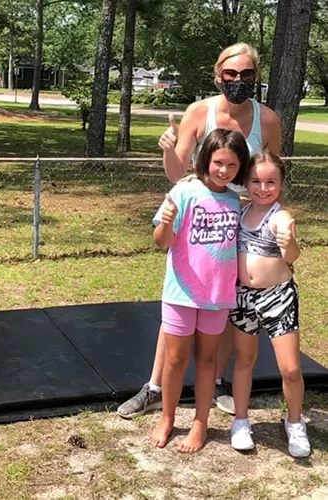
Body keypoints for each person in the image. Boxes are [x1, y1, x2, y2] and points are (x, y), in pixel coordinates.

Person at [117, 42, 281, 419]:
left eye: (247, 75)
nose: (238, 81)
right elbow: (179, 176)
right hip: (199, 219)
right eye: (231, 74)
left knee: (225, 304)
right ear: (217, 74)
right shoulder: (198, 112)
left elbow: (271, 175)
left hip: (242, 223)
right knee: (180, 298)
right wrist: (168, 149)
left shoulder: (267, 120)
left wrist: (275, 225)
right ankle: (156, 386)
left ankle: (218, 381)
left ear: (256, 77)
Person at [149, 128, 250, 453]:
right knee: (176, 360)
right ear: (206, 158)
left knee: (207, 361)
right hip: (180, 293)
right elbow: (162, 242)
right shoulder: (183, 192)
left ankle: (199, 424)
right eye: (218, 162)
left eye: (232, 166)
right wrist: (166, 221)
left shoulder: (235, 202)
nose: (224, 171)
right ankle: (167, 417)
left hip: (217, 297)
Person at [229, 151, 311, 458]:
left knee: (290, 368)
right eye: (256, 181)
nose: (263, 188)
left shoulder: (281, 216)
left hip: (278, 298)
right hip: (242, 298)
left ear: (281, 184)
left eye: (270, 182)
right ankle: (240, 421)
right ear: (246, 183)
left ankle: (295, 423)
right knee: (244, 361)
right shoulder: (239, 212)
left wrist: (289, 244)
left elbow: (292, 255)